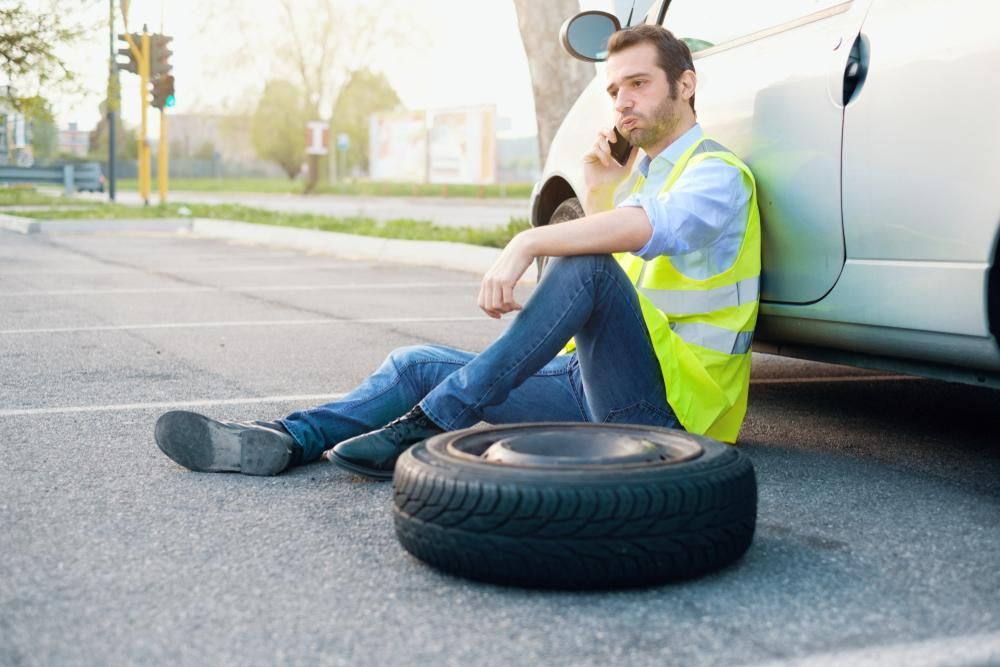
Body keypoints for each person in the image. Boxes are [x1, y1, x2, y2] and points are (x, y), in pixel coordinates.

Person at [154, 25, 761, 480]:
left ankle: (435, 419)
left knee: (584, 262)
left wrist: (528, 239)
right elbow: (622, 290)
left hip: (679, 418)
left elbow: (637, 240)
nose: (622, 102)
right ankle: (282, 439)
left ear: (685, 85)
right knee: (413, 362)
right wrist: (598, 186)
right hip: (600, 385)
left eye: (638, 84)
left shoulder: (717, 175)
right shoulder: (642, 182)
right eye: (614, 90)